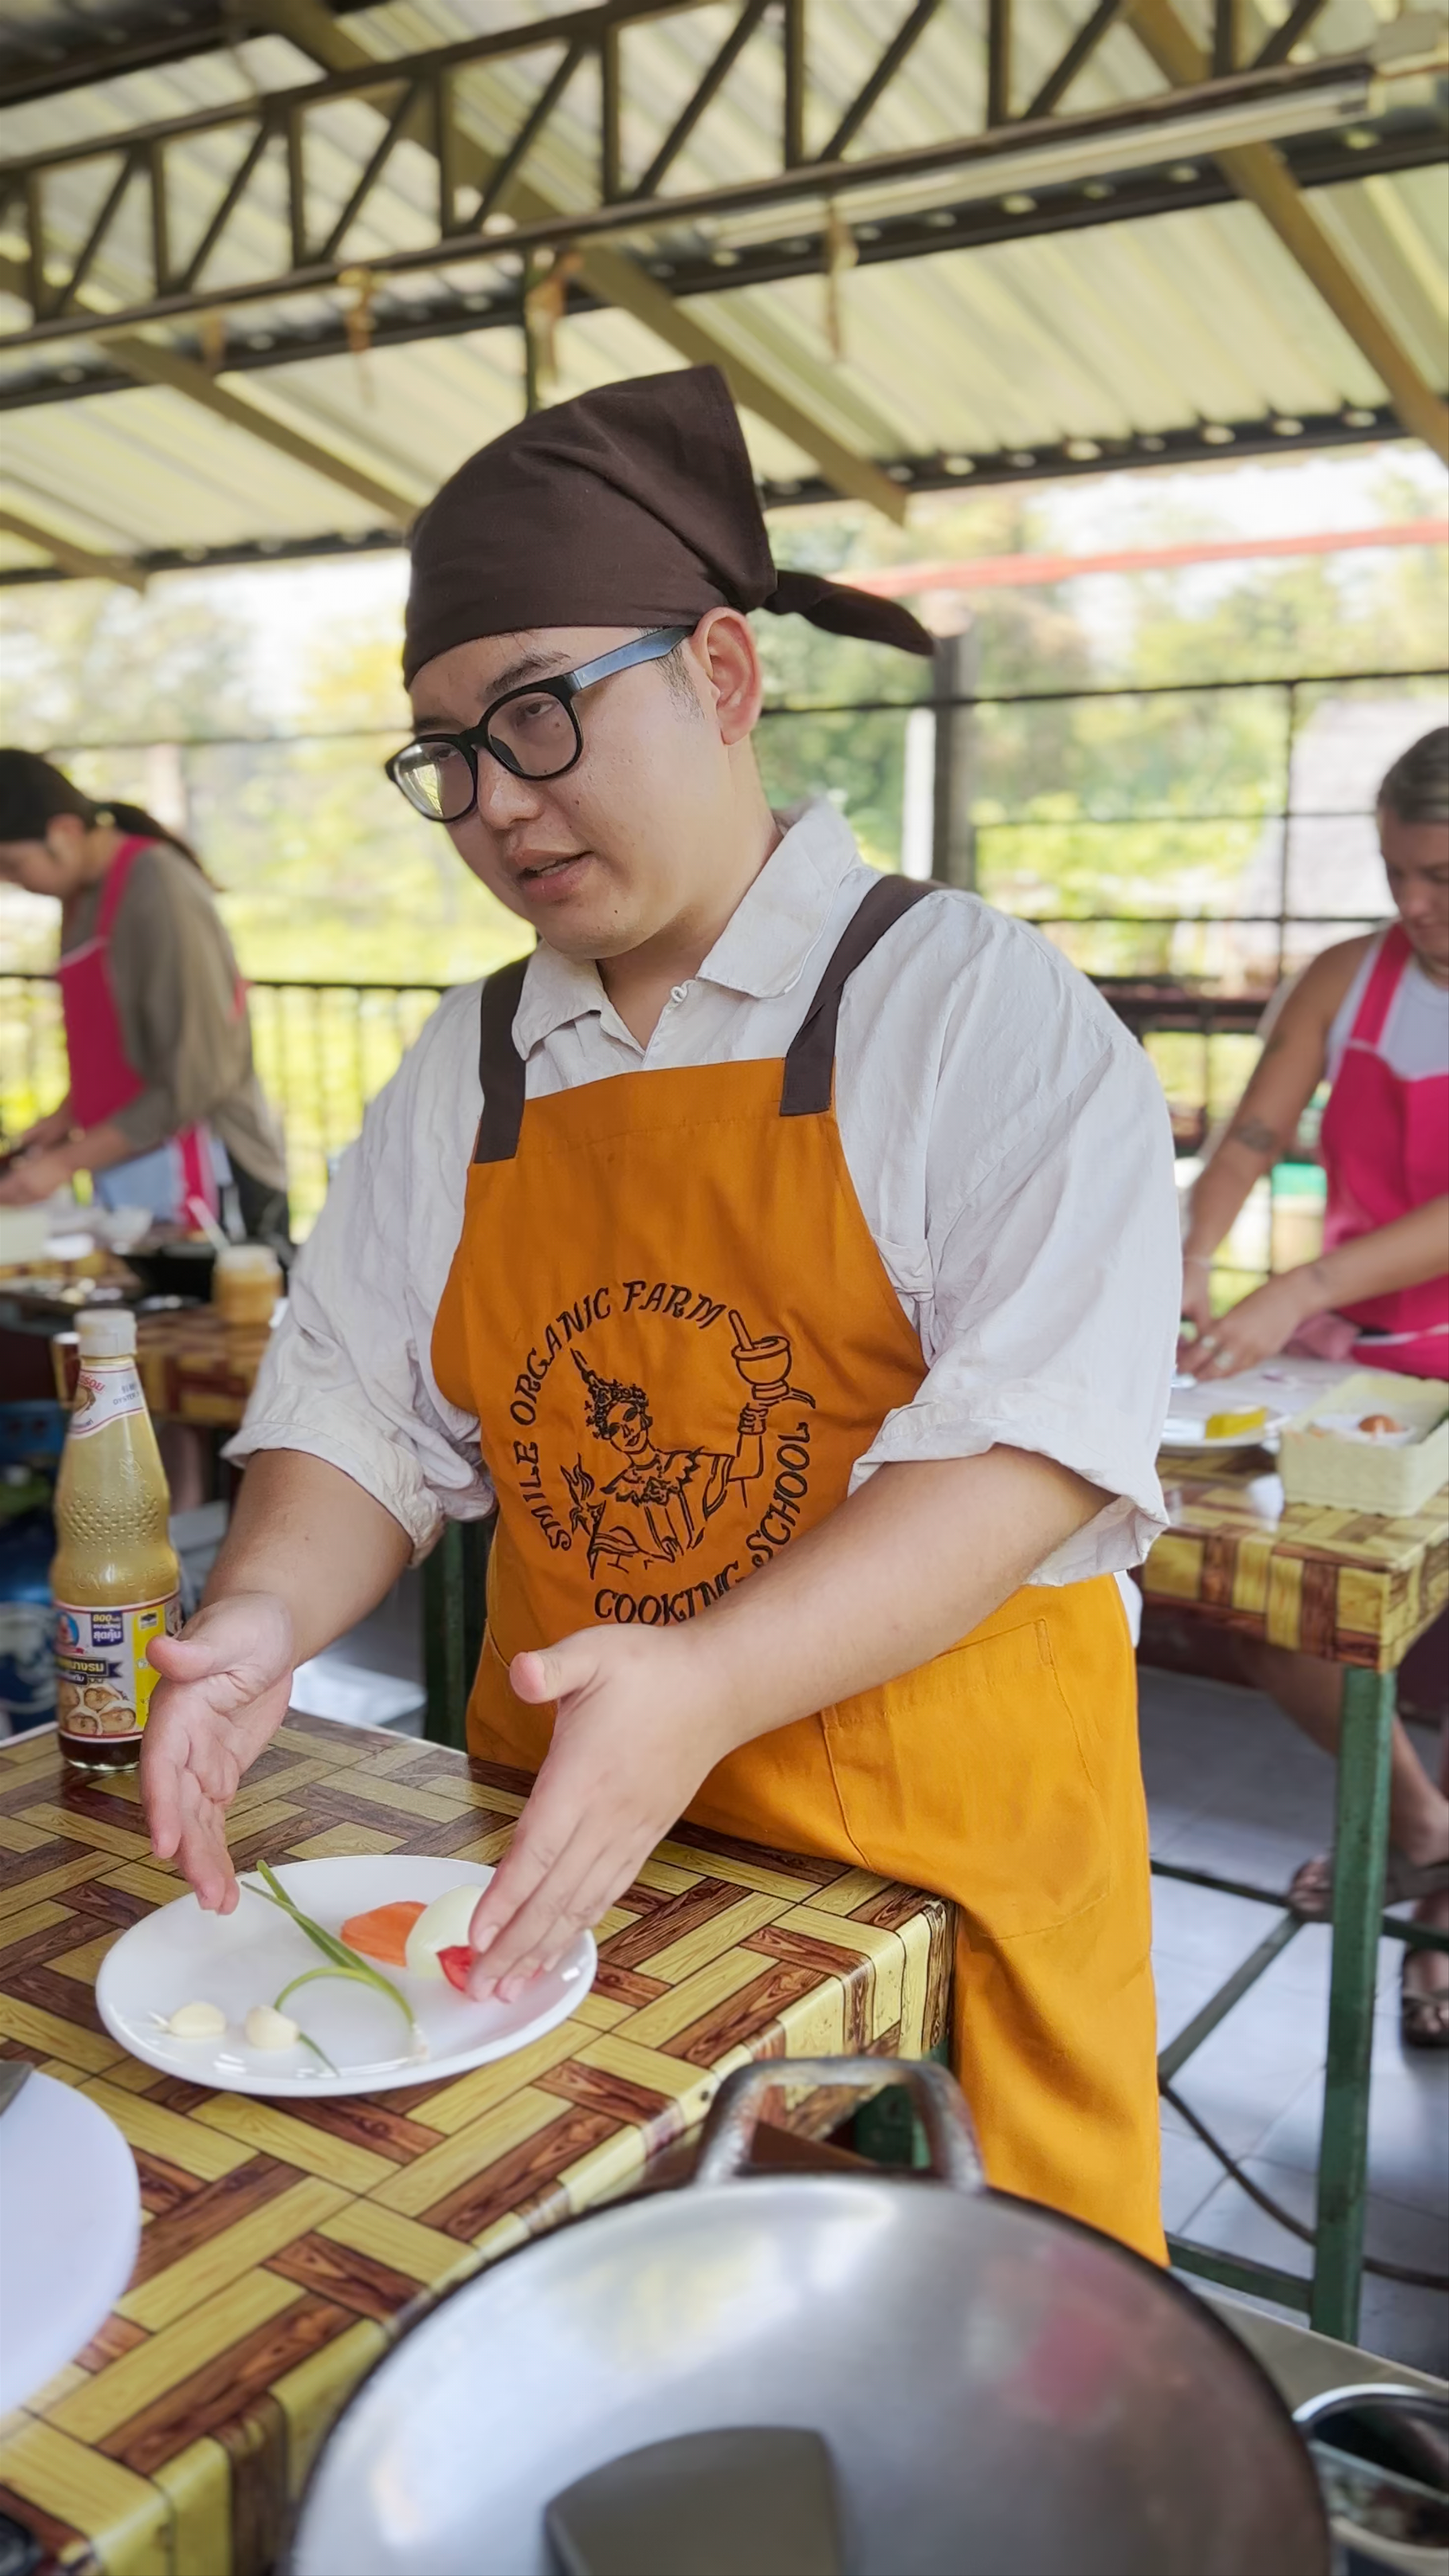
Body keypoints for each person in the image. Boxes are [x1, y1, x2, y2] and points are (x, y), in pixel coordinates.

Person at [140, 366, 1181, 2255]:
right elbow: (354, 1406)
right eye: (447, 752)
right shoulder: (470, 1065)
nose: (497, 803)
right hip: (563, 1892)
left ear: (720, 673)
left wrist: (702, 1680)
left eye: (538, 714)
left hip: (925, 1911)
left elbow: (1027, 1451)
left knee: (945, 2418)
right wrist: (263, 1616)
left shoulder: (967, 1012)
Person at [1178, 725, 1449, 2044]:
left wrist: (1296, 1288)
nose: (1413, 904)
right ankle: (1416, 1826)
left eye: (1444, 875)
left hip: (1366, 1330)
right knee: (1272, 1601)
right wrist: (1191, 1248)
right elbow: (1253, 1132)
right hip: (1359, 1364)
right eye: (1400, 870)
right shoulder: (1352, 977)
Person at [0, 753, 289, 1247]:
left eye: (12, 864)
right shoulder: (83, 896)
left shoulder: (158, 884)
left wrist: (65, 1163)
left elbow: (196, 1078)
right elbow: (125, 1043)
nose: (11, 881)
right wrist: (66, 1119)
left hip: (212, 1171)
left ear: (66, 832)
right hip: (133, 1162)